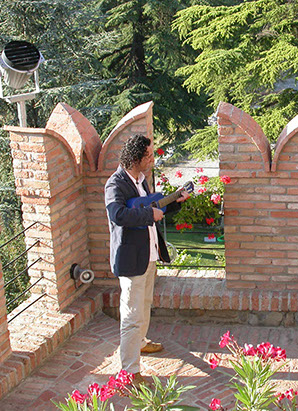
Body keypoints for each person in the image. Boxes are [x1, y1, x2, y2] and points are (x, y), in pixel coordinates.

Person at [104, 134, 190, 385]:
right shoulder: (115, 184)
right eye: (148, 156)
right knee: (131, 315)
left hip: (148, 254)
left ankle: (140, 343)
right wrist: (147, 214)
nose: (152, 159)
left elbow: (152, 208)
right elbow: (118, 214)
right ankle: (129, 372)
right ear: (135, 158)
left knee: (144, 305)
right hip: (131, 259)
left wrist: (175, 202)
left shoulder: (141, 180)